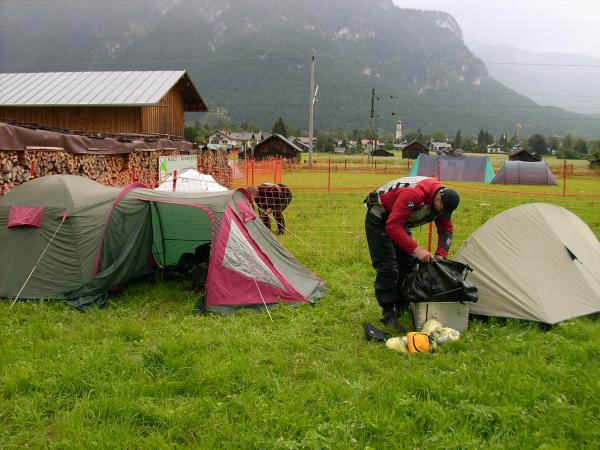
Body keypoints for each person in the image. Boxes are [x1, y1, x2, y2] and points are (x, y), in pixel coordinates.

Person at [364, 176, 460, 331]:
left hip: (400, 219)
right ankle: (389, 313)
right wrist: (417, 250)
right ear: (437, 198)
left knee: (408, 264)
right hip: (380, 218)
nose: (442, 213)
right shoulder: (414, 194)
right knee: (388, 267)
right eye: (441, 210)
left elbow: (446, 229)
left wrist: (441, 254)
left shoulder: (442, 202)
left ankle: (402, 304)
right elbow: (393, 225)